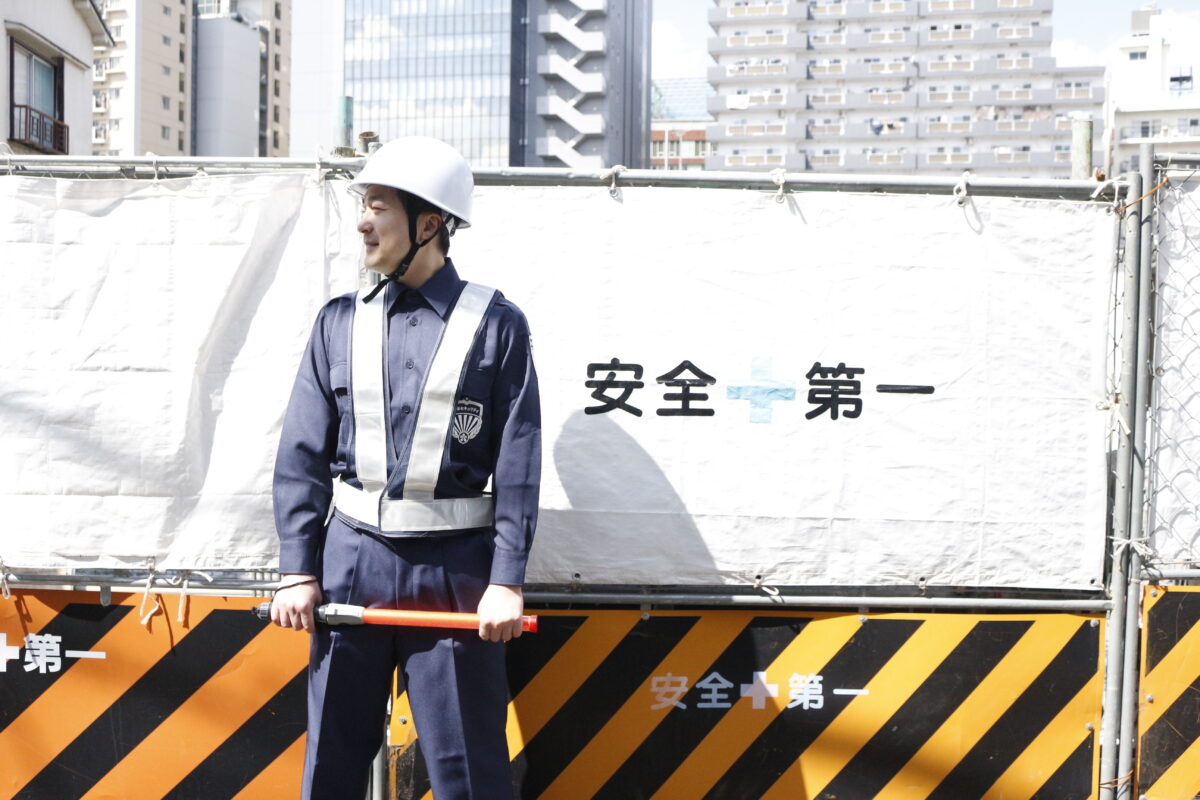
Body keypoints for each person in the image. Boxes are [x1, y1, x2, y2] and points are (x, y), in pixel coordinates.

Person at [270, 136, 540, 800]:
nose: (363, 222)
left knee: (468, 773)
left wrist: (507, 580)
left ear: (428, 224)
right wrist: (298, 568)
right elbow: (302, 452)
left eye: (378, 206)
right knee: (331, 766)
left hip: (454, 572)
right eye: (362, 205)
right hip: (350, 563)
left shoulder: (498, 325)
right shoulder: (338, 322)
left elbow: (519, 461)